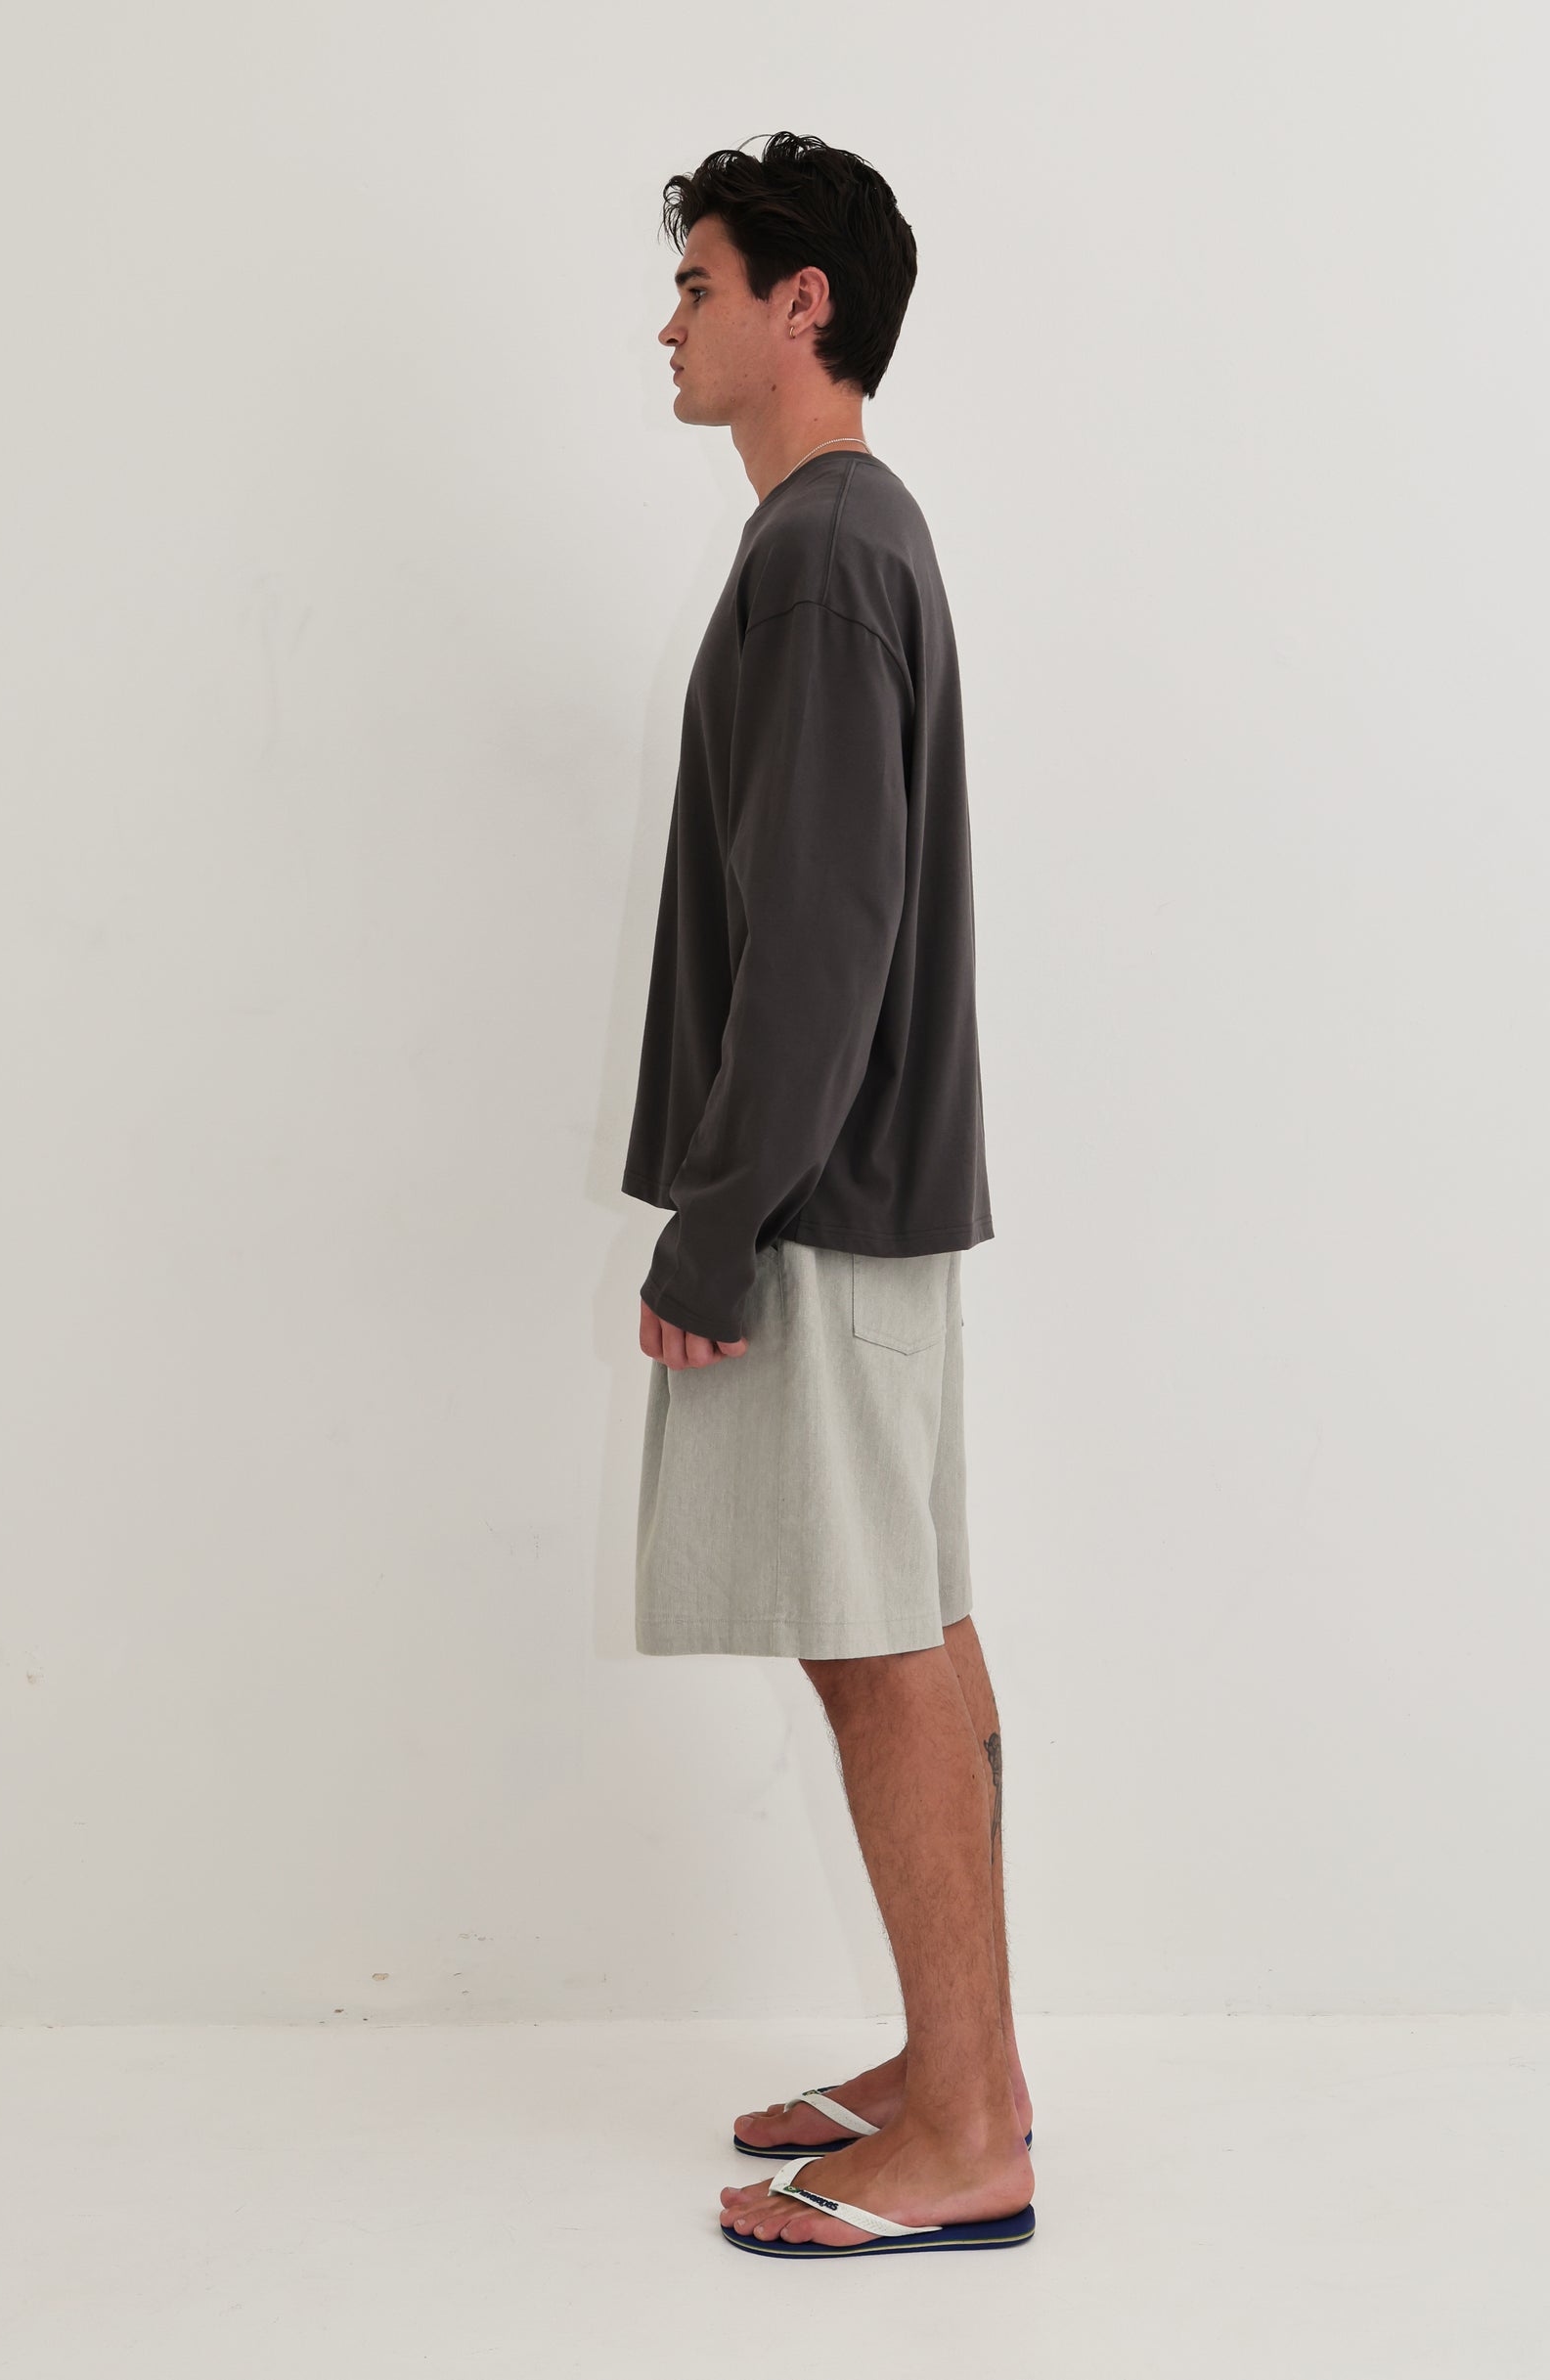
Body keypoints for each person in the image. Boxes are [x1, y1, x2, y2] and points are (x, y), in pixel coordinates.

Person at [620, 133, 1034, 2259]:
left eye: (698, 282)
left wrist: (716, 1217)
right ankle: (967, 2071)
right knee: (909, 1631)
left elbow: (823, 926)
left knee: (874, 1648)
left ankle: (962, 2128)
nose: (667, 323)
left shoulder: (820, 551)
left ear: (803, 303)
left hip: (817, 1207)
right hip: (870, 1198)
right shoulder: (854, 537)